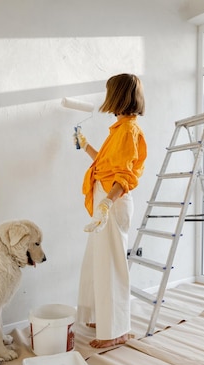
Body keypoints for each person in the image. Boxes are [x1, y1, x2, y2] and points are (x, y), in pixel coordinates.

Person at [74, 73, 147, 349]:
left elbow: (124, 177)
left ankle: (117, 330)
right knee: (97, 261)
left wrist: (107, 203)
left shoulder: (128, 131)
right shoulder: (118, 130)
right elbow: (105, 165)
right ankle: (101, 317)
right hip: (107, 203)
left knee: (111, 265)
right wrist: (86, 145)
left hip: (113, 204)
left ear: (117, 96)